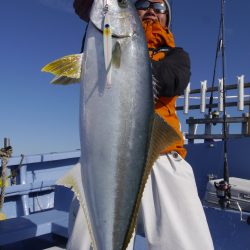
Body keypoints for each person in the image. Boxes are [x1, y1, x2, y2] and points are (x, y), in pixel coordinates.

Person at [70, 0, 214, 249]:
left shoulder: (176, 56)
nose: (150, 10)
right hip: (103, 158)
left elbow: (173, 80)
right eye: (143, 4)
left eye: (159, 8)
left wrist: (129, 58)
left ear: (167, 19)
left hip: (163, 153)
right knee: (84, 238)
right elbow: (94, 51)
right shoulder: (105, 42)